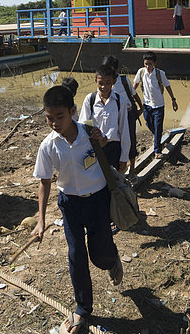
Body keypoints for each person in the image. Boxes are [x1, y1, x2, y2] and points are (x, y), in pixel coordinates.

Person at [32, 85, 123, 334]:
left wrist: (102, 140)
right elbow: (44, 182)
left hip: (98, 201)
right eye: (49, 118)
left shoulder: (89, 134)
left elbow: (104, 145)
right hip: (70, 204)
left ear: (73, 111)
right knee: (76, 255)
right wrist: (41, 221)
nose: (54, 123)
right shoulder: (48, 146)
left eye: (59, 117)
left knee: (99, 254)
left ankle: (111, 258)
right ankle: (83, 308)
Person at [79, 64, 130, 173]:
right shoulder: (90, 99)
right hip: (94, 147)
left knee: (113, 181)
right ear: (95, 81)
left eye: (108, 83)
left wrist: (124, 157)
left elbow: (124, 129)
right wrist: (95, 137)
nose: (104, 87)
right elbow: (83, 124)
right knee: (93, 178)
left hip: (113, 148)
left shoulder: (119, 101)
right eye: (100, 83)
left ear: (114, 82)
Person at [102, 55, 143, 183]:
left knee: (130, 140)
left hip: (129, 114)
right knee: (115, 142)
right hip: (113, 116)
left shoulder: (124, 81)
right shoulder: (103, 84)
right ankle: (117, 171)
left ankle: (132, 170)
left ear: (117, 70)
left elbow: (134, 95)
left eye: (111, 70)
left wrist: (141, 108)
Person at [133, 51, 178, 159]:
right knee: (148, 122)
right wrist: (129, 97)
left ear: (155, 63)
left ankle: (157, 150)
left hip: (159, 105)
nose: (148, 66)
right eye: (146, 64)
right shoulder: (141, 72)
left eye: (150, 64)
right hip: (147, 104)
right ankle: (156, 135)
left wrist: (173, 99)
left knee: (158, 128)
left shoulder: (160, 73)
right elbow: (135, 85)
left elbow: (167, 86)